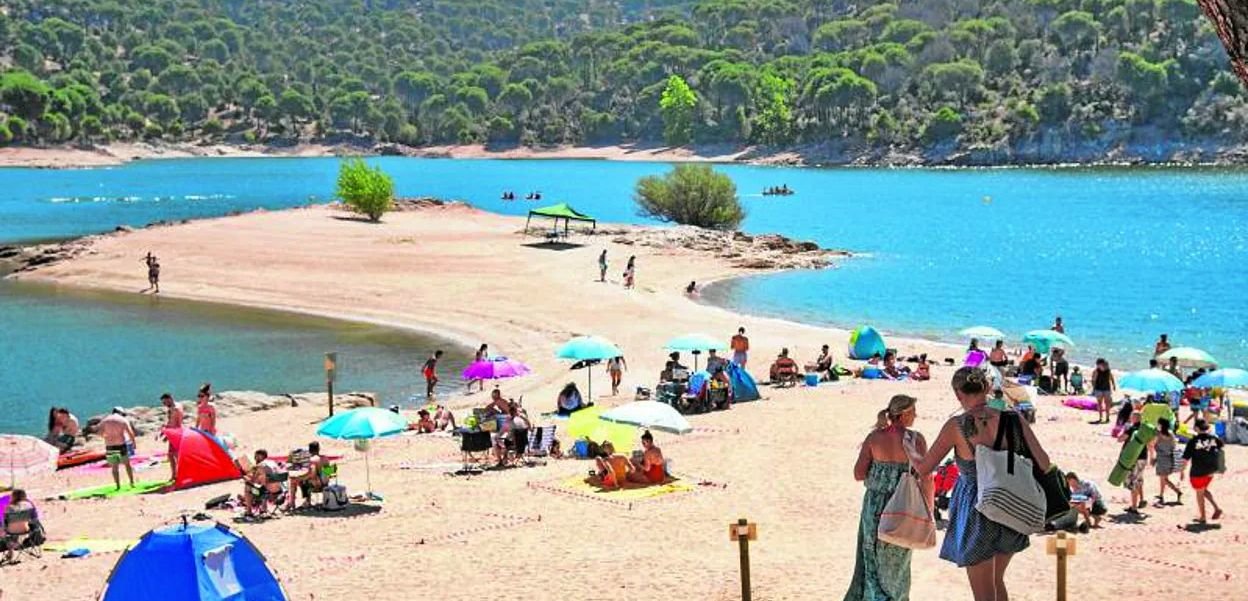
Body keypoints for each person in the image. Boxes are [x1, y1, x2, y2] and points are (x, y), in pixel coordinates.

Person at [914, 367, 1051, 601]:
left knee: (984, 593)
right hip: (1012, 505)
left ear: (958, 393)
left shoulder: (957, 426)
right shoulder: (1012, 418)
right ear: (987, 388)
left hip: (978, 509)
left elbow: (924, 469)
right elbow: (1045, 463)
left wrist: (911, 452)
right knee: (997, 581)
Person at [844, 394, 929, 601]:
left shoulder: (874, 438)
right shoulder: (916, 440)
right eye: (913, 412)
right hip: (903, 506)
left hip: (874, 506)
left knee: (871, 557)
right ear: (905, 414)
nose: (916, 416)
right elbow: (925, 475)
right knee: (898, 562)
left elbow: (858, 474)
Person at [1183, 419, 1224, 524]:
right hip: (1211, 470)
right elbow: (1221, 448)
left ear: (1196, 428)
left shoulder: (1193, 441)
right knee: (1203, 490)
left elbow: (1185, 459)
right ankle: (1216, 508)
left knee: (1199, 493)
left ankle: (1203, 517)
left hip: (1198, 471)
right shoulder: (1214, 438)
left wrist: (1182, 471)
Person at [1118, 411, 1148, 514]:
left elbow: (1120, 439)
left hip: (1133, 458)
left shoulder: (1132, 429)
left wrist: (1122, 432)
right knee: (1139, 479)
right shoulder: (1145, 429)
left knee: (1133, 481)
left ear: (1134, 418)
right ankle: (1141, 500)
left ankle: (1134, 506)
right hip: (1143, 457)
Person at [100, 408, 138, 490]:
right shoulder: (123, 420)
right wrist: (134, 443)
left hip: (110, 445)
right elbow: (130, 433)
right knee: (127, 464)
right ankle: (131, 482)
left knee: (114, 467)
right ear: (120, 413)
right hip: (120, 444)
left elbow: (100, 433)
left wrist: (107, 437)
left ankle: (118, 485)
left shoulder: (105, 420)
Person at [1151, 418, 1183, 506]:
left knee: (1163, 478)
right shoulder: (1171, 434)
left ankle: (1176, 492)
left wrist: (1153, 458)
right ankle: (1162, 495)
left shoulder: (1158, 434)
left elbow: (1153, 445)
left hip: (1161, 458)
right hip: (1169, 457)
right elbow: (1174, 445)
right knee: (1164, 478)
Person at [286, 441, 327, 511]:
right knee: (304, 480)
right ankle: (306, 501)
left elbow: (312, 474)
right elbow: (329, 472)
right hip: (325, 483)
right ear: (318, 449)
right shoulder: (325, 458)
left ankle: (292, 503)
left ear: (310, 450)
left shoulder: (313, 460)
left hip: (317, 485)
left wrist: (299, 478)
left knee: (294, 480)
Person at [242, 449, 283, 519]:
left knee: (248, 487)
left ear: (260, 456)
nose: (255, 458)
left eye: (256, 456)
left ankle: (249, 512)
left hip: (269, 493)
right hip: (279, 491)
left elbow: (256, 482)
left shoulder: (261, 465)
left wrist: (246, 478)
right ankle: (263, 508)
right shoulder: (272, 462)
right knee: (262, 485)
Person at [160, 393, 184, 481]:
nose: (164, 405)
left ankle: (178, 474)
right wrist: (166, 433)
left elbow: (178, 423)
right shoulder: (173, 408)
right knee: (171, 455)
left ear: (170, 399)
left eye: (165, 402)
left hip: (176, 434)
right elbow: (171, 421)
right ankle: (175, 474)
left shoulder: (176, 409)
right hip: (173, 433)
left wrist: (172, 434)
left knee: (176, 455)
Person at [1091, 358, 1115, 425]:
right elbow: (1093, 380)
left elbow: (1111, 377)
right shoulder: (1096, 371)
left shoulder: (1108, 370)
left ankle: (1107, 417)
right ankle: (1100, 417)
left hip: (1107, 388)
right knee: (1100, 403)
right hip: (1099, 389)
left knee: (1107, 403)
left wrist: (1113, 385)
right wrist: (1094, 388)